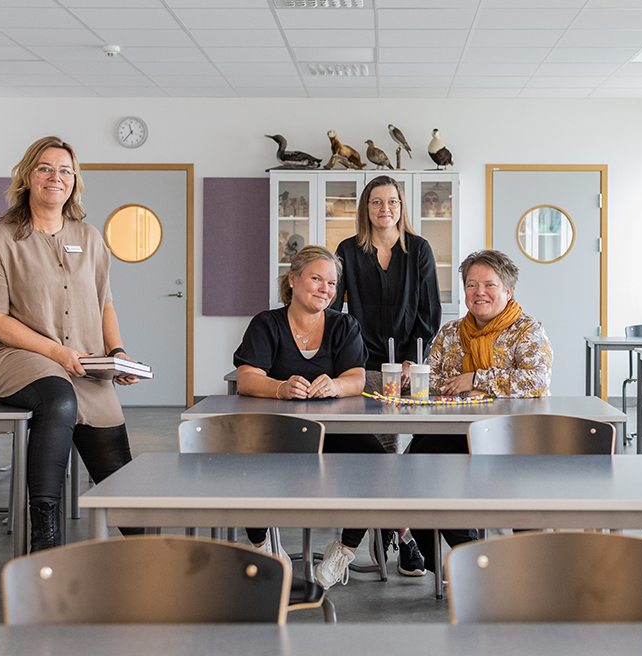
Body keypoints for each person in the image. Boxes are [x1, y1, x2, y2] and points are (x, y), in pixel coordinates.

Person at [0, 136, 143, 552]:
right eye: (45, 168)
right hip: (18, 358)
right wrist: (56, 353)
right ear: (28, 177)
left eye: (65, 170)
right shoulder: (0, 238)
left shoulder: (88, 236)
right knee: (59, 399)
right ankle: (44, 535)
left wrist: (117, 353)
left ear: (75, 181)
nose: (56, 177)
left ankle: (149, 547)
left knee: (115, 465)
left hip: (83, 362)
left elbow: (105, 303)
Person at [234, 245, 385, 590]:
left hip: (333, 431)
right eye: (316, 279)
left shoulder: (344, 325)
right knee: (240, 468)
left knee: (377, 464)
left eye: (331, 283)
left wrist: (334, 385)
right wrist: (280, 388)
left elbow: (356, 379)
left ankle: (344, 551)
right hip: (274, 433)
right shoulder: (266, 323)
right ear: (292, 281)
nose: (325, 289)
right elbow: (246, 377)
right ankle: (267, 548)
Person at [406, 249, 553, 571]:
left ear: (508, 290)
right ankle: (468, 556)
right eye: (471, 285)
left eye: (489, 284)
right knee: (417, 465)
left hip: (512, 437)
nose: (479, 293)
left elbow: (536, 380)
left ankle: (528, 565)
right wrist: (469, 386)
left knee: (522, 486)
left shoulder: (527, 330)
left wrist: (476, 379)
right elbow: (434, 380)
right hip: (456, 431)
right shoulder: (450, 332)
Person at [332, 175, 440, 576]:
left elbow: (430, 312)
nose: (385, 209)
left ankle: (392, 537)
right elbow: (332, 311)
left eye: (392, 202)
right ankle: (403, 537)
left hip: (408, 370)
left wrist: (414, 359)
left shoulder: (419, 250)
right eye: (376, 202)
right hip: (361, 368)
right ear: (366, 207)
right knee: (382, 457)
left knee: (401, 454)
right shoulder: (348, 249)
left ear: (401, 205)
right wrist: (344, 363)